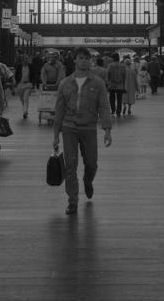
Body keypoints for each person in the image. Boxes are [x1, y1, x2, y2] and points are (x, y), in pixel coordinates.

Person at [52, 47, 113, 215]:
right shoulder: (65, 83)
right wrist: (56, 134)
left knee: (92, 163)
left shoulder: (97, 82)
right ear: (75, 60)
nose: (84, 61)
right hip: (69, 128)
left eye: (87, 58)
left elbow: (104, 106)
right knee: (70, 166)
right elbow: (59, 110)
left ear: (90, 61)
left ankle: (88, 180)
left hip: (89, 128)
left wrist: (107, 130)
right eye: (81, 58)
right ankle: (72, 201)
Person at [14, 54, 37, 119]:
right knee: (21, 98)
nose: (25, 61)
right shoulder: (19, 66)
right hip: (20, 84)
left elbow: (34, 75)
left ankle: (25, 111)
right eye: (24, 60)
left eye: (27, 59)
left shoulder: (31, 66)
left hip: (28, 84)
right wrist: (16, 83)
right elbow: (16, 75)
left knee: (26, 98)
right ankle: (24, 107)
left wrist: (33, 83)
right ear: (22, 60)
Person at [106, 52, 126, 117]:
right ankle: (118, 112)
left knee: (112, 98)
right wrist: (123, 84)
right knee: (119, 99)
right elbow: (124, 76)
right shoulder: (122, 65)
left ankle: (113, 110)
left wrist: (108, 82)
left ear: (113, 58)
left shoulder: (110, 65)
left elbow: (108, 74)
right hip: (120, 85)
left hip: (112, 84)